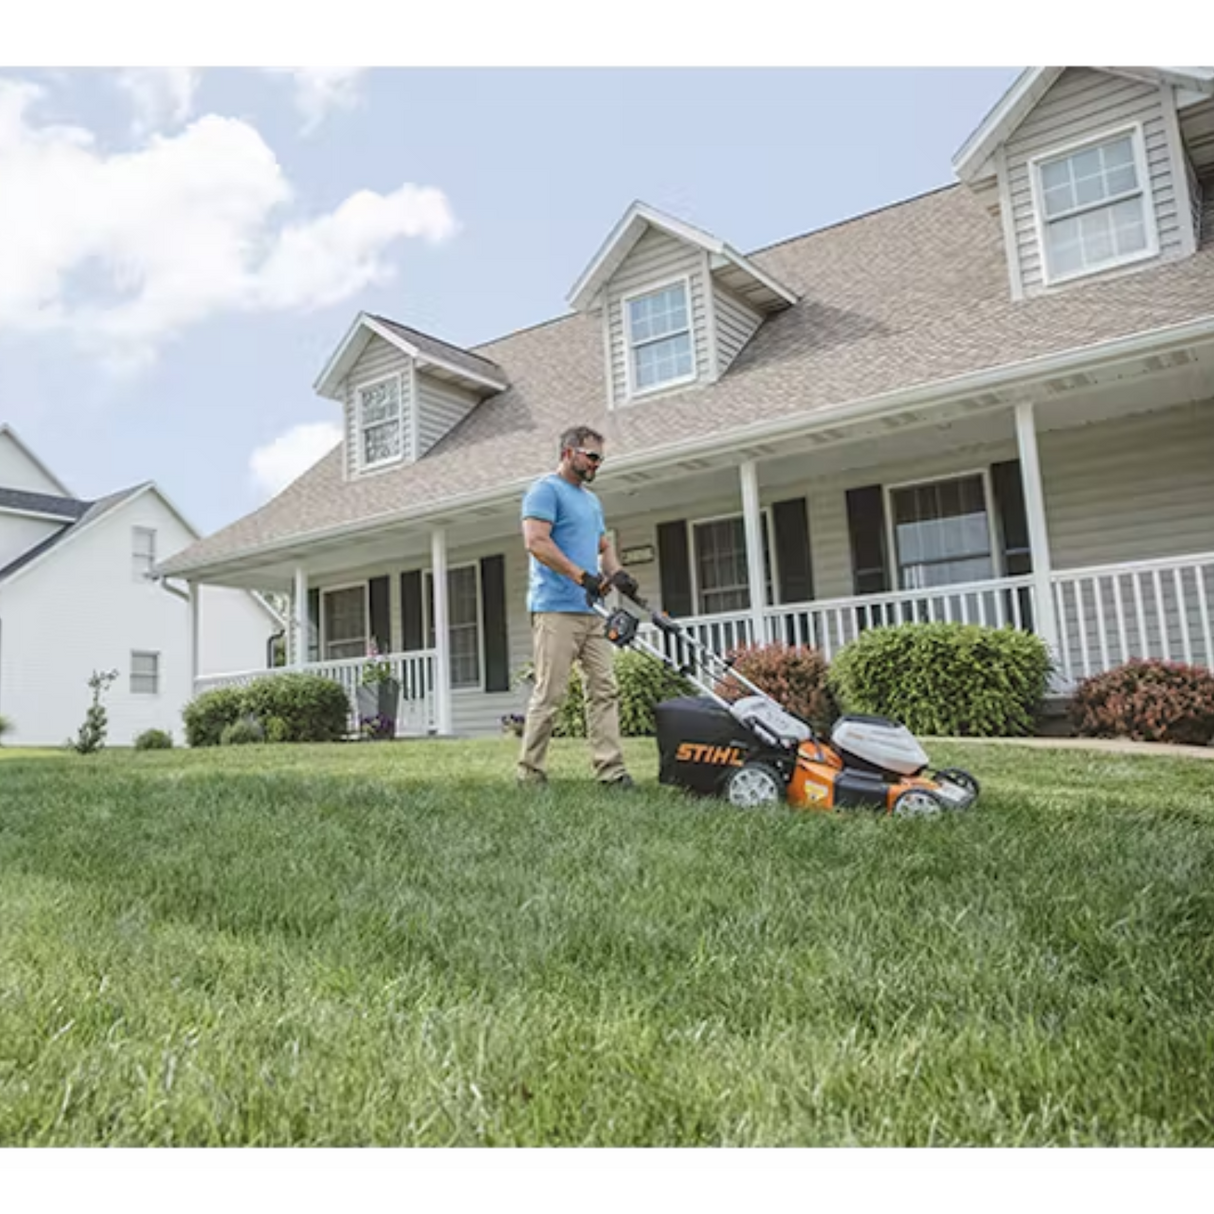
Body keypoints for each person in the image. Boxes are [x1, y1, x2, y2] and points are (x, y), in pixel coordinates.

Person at [517, 425, 640, 789]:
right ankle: (530, 774)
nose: (597, 464)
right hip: (555, 608)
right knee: (550, 693)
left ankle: (611, 772)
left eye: (600, 458)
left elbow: (603, 545)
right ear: (569, 452)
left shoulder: (590, 501)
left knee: (605, 688)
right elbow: (536, 542)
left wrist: (617, 573)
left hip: (592, 612)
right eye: (592, 456)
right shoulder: (544, 491)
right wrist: (578, 575)